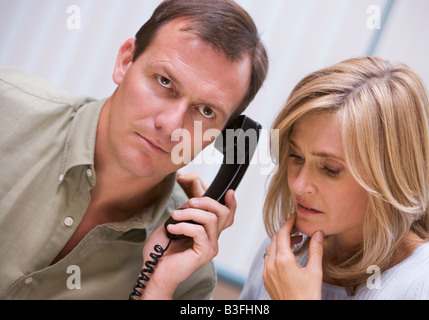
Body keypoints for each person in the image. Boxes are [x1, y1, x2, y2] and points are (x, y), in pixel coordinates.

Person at [0, 0, 268, 300]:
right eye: (165, 81)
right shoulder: (5, 106)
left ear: (223, 135)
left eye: (206, 111)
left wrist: (157, 288)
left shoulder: (187, 278)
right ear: (125, 61)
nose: (171, 126)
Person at [239, 56, 429, 299]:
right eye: (296, 156)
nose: (298, 185)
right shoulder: (285, 253)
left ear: (389, 177)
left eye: (329, 169)